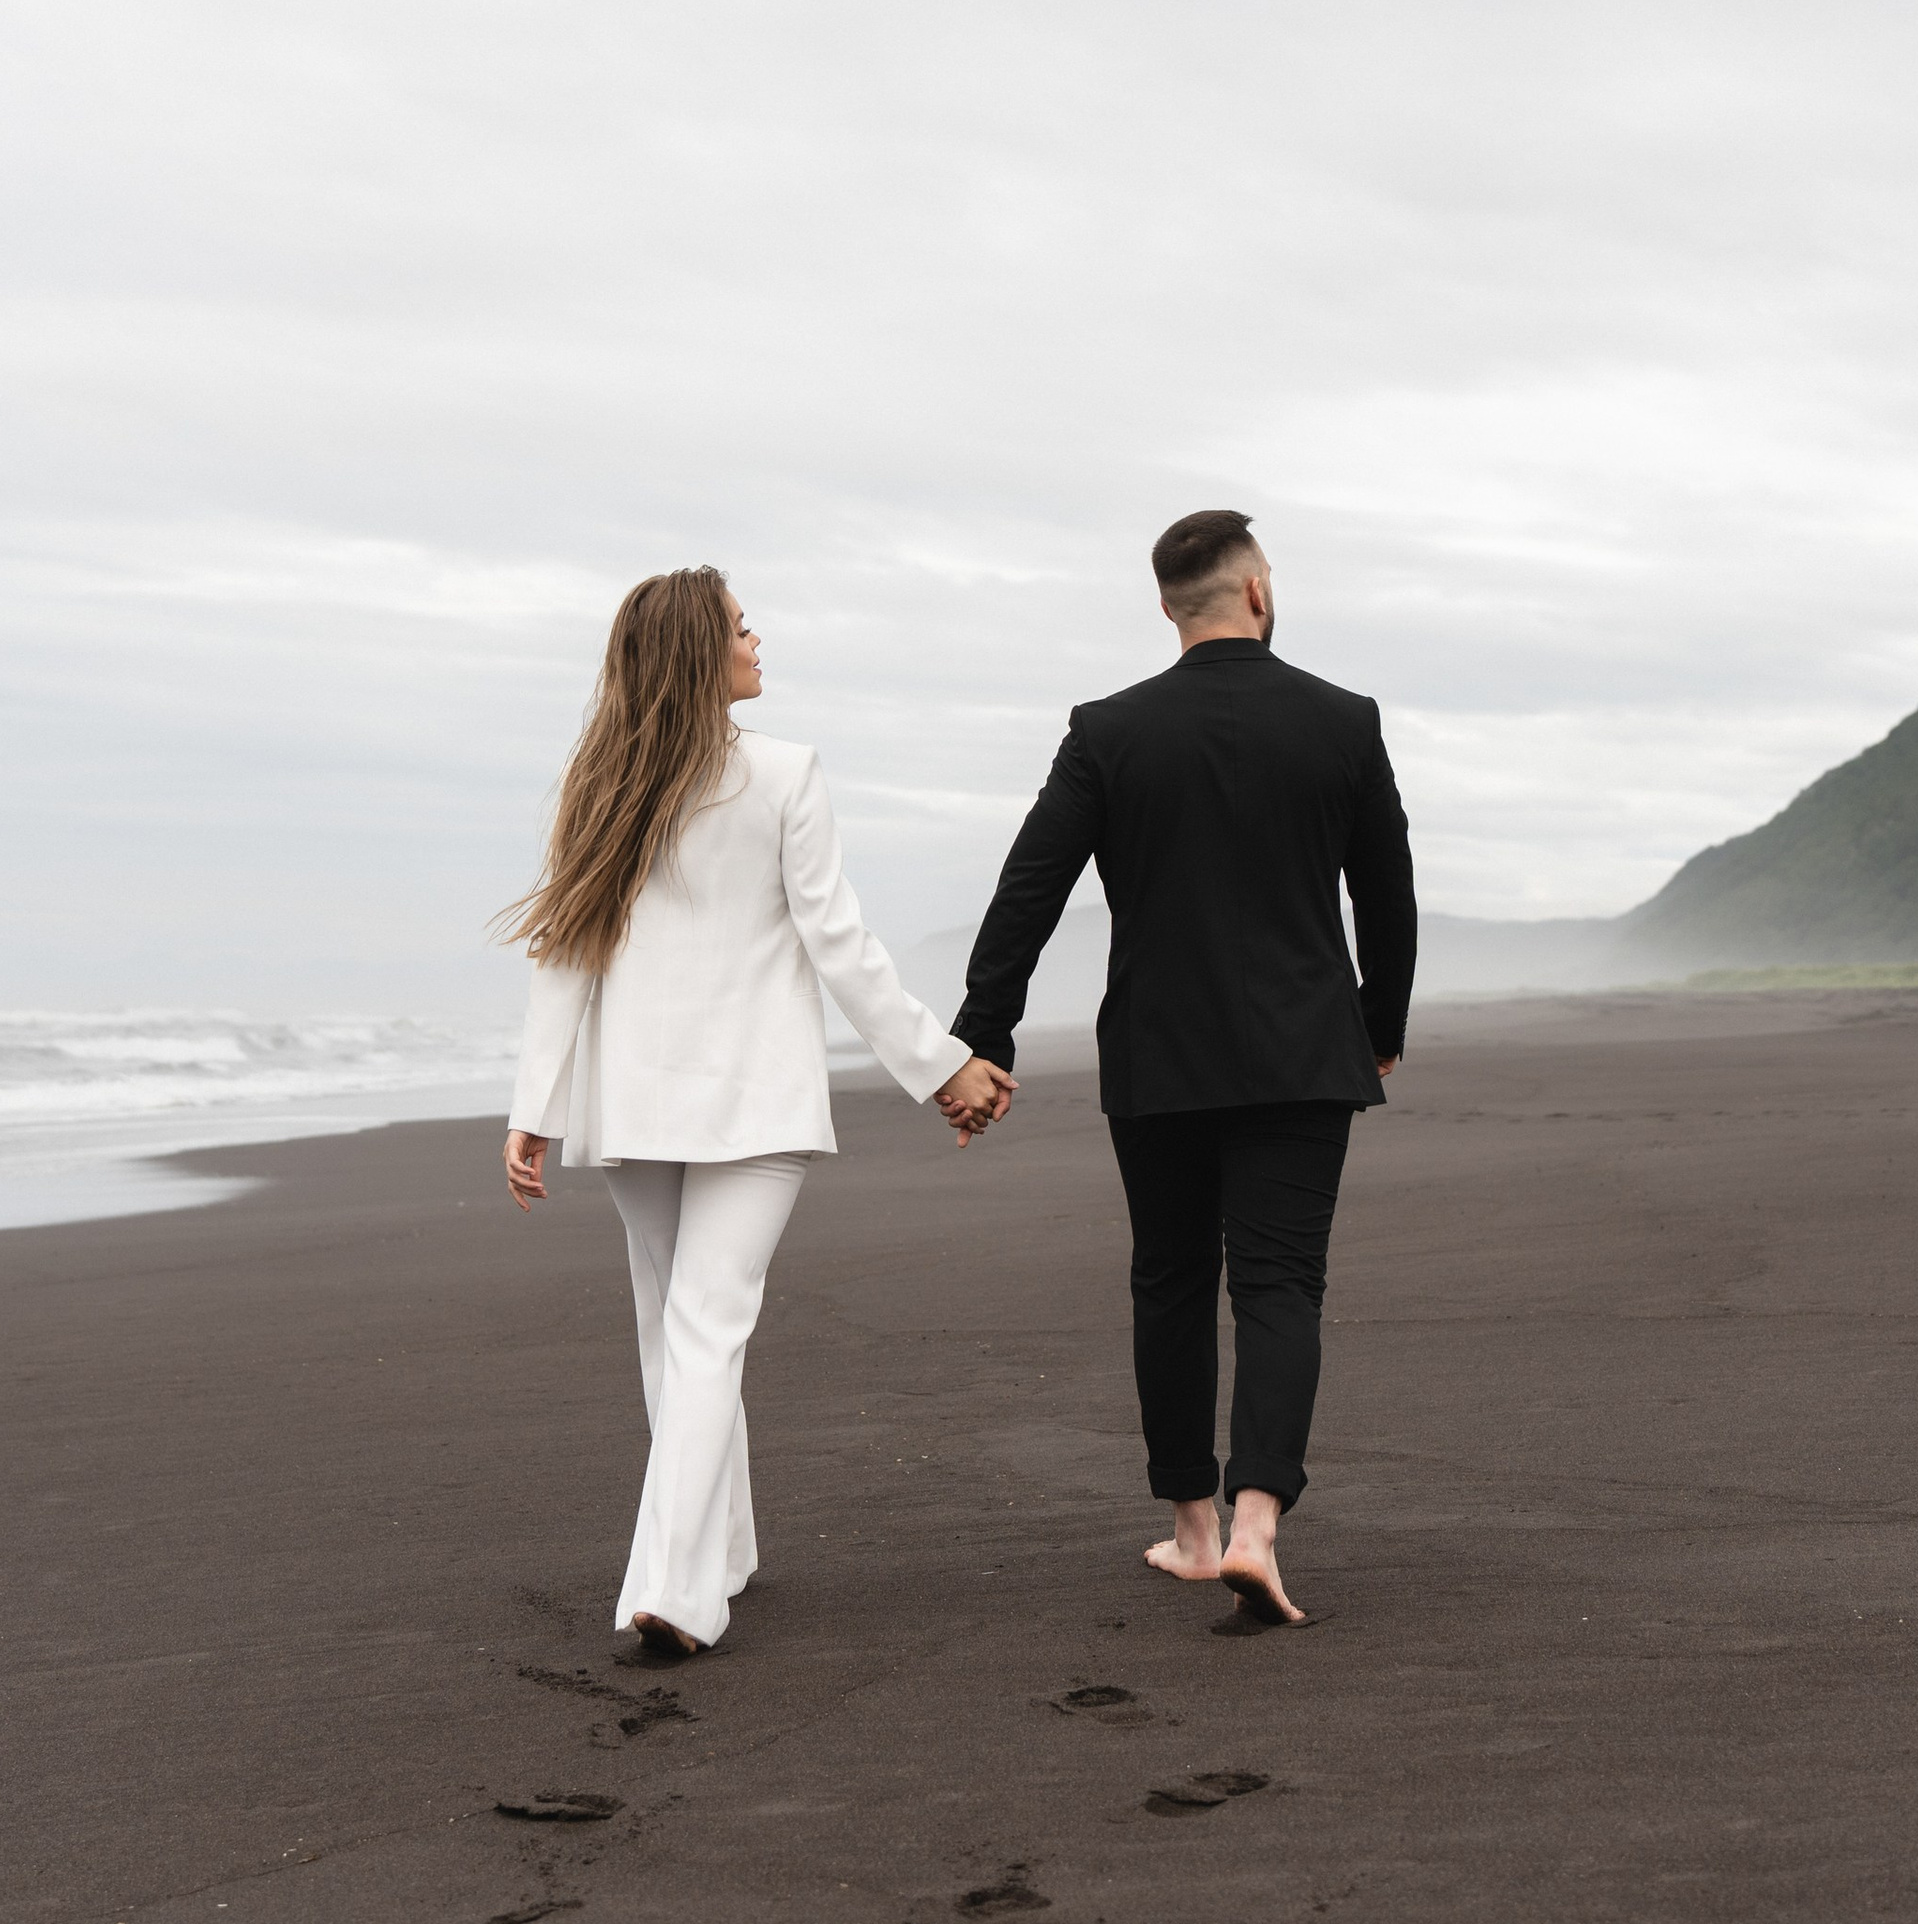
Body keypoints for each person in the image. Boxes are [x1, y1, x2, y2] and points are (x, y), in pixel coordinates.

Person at [500, 568, 1010, 1655]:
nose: (756, 637)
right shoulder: (782, 774)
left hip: (633, 1103)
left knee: (678, 1334)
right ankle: (684, 1586)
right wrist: (944, 1066)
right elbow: (840, 945)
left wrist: (537, 1102)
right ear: (699, 651)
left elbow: (563, 954)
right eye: (739, 626)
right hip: (747, 1101)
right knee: (698, 1332)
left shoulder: (600, 778)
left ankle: (712, 1557)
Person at [950, 509, 1416, 1626]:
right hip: (1304, 1051)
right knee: (1278, 1283)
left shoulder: (1109, 732)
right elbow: (1385, 890)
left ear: (1169, 607)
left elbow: (1030, 889)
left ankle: (1193, 1529)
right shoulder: (1341, 722)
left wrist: (984, 1035)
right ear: (1255, 591)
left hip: (1158, 1055)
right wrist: (1378, 1021)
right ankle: (1261, 1522)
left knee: (1168, 1278)